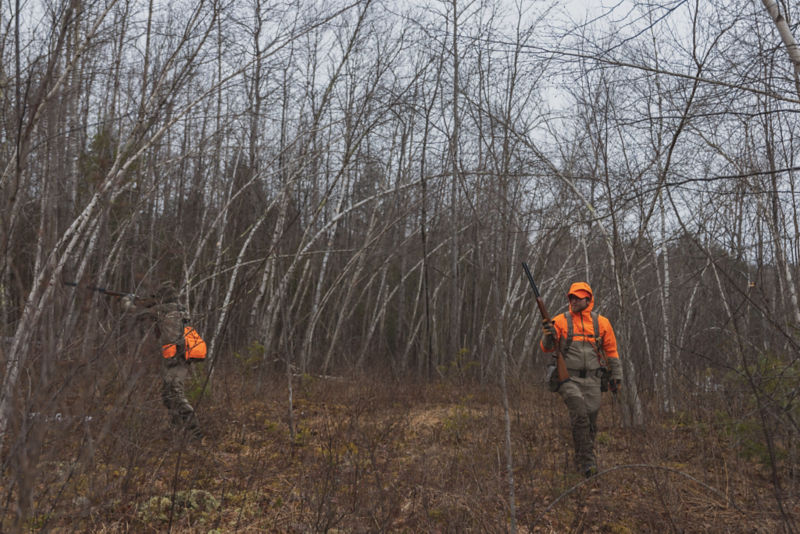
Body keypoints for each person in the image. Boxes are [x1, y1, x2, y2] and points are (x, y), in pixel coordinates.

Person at [540, 281, 622, 477]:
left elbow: (611, 351)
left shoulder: (602, 323)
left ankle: (582, 458)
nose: (573, 300)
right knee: (580, 415)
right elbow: (547, 348)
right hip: (569, 379)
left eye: (578, 297)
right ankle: (588, 464)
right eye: (571, 297)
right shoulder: (560, 321)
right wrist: (547, 335)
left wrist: (616, 376)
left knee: (591, 421)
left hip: (593, 380)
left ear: (588, 299)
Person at [122, 281, 203, 440]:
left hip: (174, 359)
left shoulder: (163, 310)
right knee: (168, 395)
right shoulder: (179, 310)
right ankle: (175, 429)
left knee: (175, 394)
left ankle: (196, 433)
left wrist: (126, 300)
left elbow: (133, 312)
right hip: (180, 357)